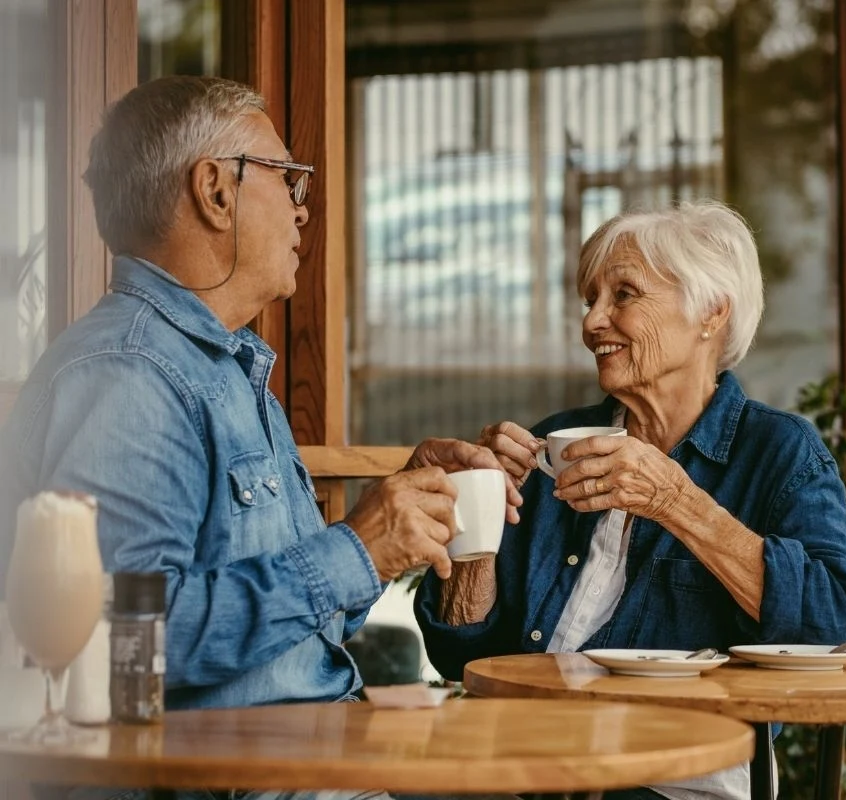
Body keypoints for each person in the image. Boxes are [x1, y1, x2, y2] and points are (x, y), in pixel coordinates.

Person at [0, 76, 519, 721]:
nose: (303, 208)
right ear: (217, 190)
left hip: (318, 751)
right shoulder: (130, 375)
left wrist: (386, 532)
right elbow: (124, 642)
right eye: (287, 176)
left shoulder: (219, 364)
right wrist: (356, 546)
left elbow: (300, 615)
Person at [415, 200, 846, 800]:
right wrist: (479, 518)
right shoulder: (558, 440)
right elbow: (458, 655)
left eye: (623, 295)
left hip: (677, 779)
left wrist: (678, 503)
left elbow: (837, 623)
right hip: (522, 762)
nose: (592, 322)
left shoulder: (777, 452)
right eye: (590, 300)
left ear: (711, 312)